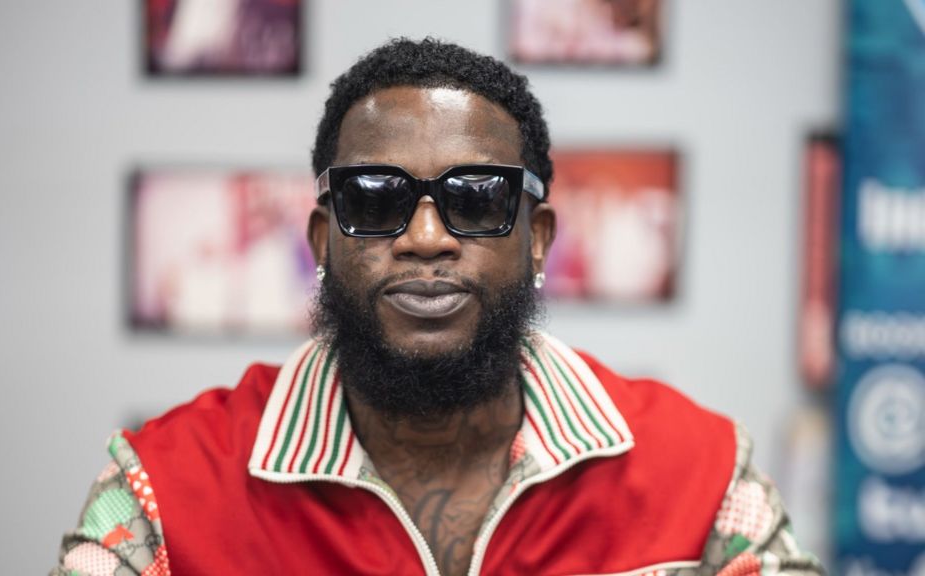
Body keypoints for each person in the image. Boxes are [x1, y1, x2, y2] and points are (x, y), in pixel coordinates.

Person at [51, 38, 823, 576]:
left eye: (477, 199)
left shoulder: (700, 474)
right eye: (374, 199)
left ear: (537, 240)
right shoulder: (165, 488)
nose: (426, 239)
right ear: (323, 241)